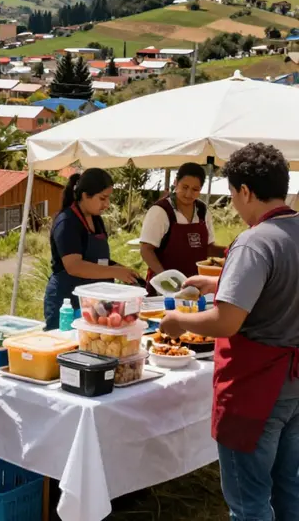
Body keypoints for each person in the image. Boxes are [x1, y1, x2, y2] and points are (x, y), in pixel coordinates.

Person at [159, 143, 299, 521]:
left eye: (234, 194)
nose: (235, 204)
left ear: (246, 191)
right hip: (293, 384)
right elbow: (279, 284)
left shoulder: (255, 241)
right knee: (289, 488)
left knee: (249, 501)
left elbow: (226, 322)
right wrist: (221, 282)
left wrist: (177, 322)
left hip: (256, 388)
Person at [43, 169, 139, 330]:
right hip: (68, 302)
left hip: (94, 301)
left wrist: (121, 270)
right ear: (85, 195)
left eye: (108, 198)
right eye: (102, 198)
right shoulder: (67, 222)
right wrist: (114, 272)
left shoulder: (97, 220)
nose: (107, 204)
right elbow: (75, 266)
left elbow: (97, 260)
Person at [139, 162, 227, 291]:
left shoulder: (202, 211)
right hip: (164, 287)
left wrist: (230, 251)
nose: (188, 194)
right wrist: (166, 278)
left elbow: (207, 249)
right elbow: (146, 249)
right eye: (184, 187)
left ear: (201, 189)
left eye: (195, 189)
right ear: (175, 182)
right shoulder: (161, 211)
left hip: (196, 285)